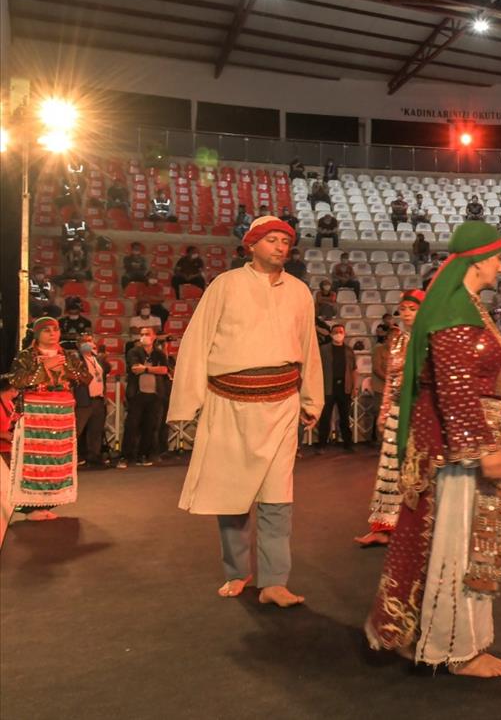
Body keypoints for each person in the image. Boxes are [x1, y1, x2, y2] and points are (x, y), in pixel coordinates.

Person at [365, 221, 501, 677]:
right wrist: (480, 447)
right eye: (497, 256)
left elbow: (472, 385)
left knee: (454, 544)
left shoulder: (463, 305)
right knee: (458, 546)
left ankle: (444, 639)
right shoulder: (455, 309)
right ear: (478, 260)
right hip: (456, 452)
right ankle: (455, 649)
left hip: (461, 442)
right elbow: (454, 387)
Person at [167, 216, 323, 607]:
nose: (280, 247)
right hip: (229, 403)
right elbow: (197, 340)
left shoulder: (300, 291)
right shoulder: (225, 285)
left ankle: (274, 581)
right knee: (230, 493)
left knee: (277, 495)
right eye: (271, 240)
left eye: (285, 241)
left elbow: (308, 349)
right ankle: (238, 572)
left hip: (282, 404)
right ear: (251, 245)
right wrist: (188, 402)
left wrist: (311, 398)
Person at [3, 317, 90, 521]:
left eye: (56, 329)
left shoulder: (67, 355)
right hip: (35, 414)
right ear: (37, 334)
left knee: (57, 460)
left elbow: (85, 377)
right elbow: (17, 380)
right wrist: (44, 368)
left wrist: (66, 371)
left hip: (61, 415)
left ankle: (47, 504)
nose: (52, 334)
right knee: (33, 458)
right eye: (46, 330)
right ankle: (30, 507)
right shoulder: (26, 356)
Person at [354, 289, 423, 547]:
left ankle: (415, 528)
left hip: (418, 412)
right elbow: (392, 380)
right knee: (389, 469)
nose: (406, 313)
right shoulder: (396, 341)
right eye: (403, 309)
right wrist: (385, 411)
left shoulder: (429, 339)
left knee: (417, 470)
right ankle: (383, 527)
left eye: (412, 309)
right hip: (397, 410)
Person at [121, 326, 170, 469]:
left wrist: (147, 369)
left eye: (147, 334)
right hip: (137, 395)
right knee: (132, 426)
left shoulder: (159, 354)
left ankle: (144, 455)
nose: (144, 336)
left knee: (150, 427)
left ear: (154, 336)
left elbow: (165, 370)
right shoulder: (133, 352)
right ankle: (127, 456)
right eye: (142, 334)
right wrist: (154, 369)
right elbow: (135, 369)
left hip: (155, 395)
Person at [316, 323, 358, 452]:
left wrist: (354, 387)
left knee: (345, 417)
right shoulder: (323, 350)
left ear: (344, 334)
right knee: (325, 417)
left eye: (340, 331)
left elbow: (354, 370)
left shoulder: (349, 350)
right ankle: (322, 445)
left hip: (344, 388)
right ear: (330, 334)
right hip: (328, 387)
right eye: (335, 331)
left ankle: (348, 444)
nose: (338, 334)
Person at [73, 336, 109, 468]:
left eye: (90, 341)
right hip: (84, 399)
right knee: (78, 430)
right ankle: (75, 457)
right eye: (85, 342)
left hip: (98, 398)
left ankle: (93, 456)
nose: (88, 344)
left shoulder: (97, 359)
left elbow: (106, 371)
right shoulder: (77, 358)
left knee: (96, 430)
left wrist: (102, 357)